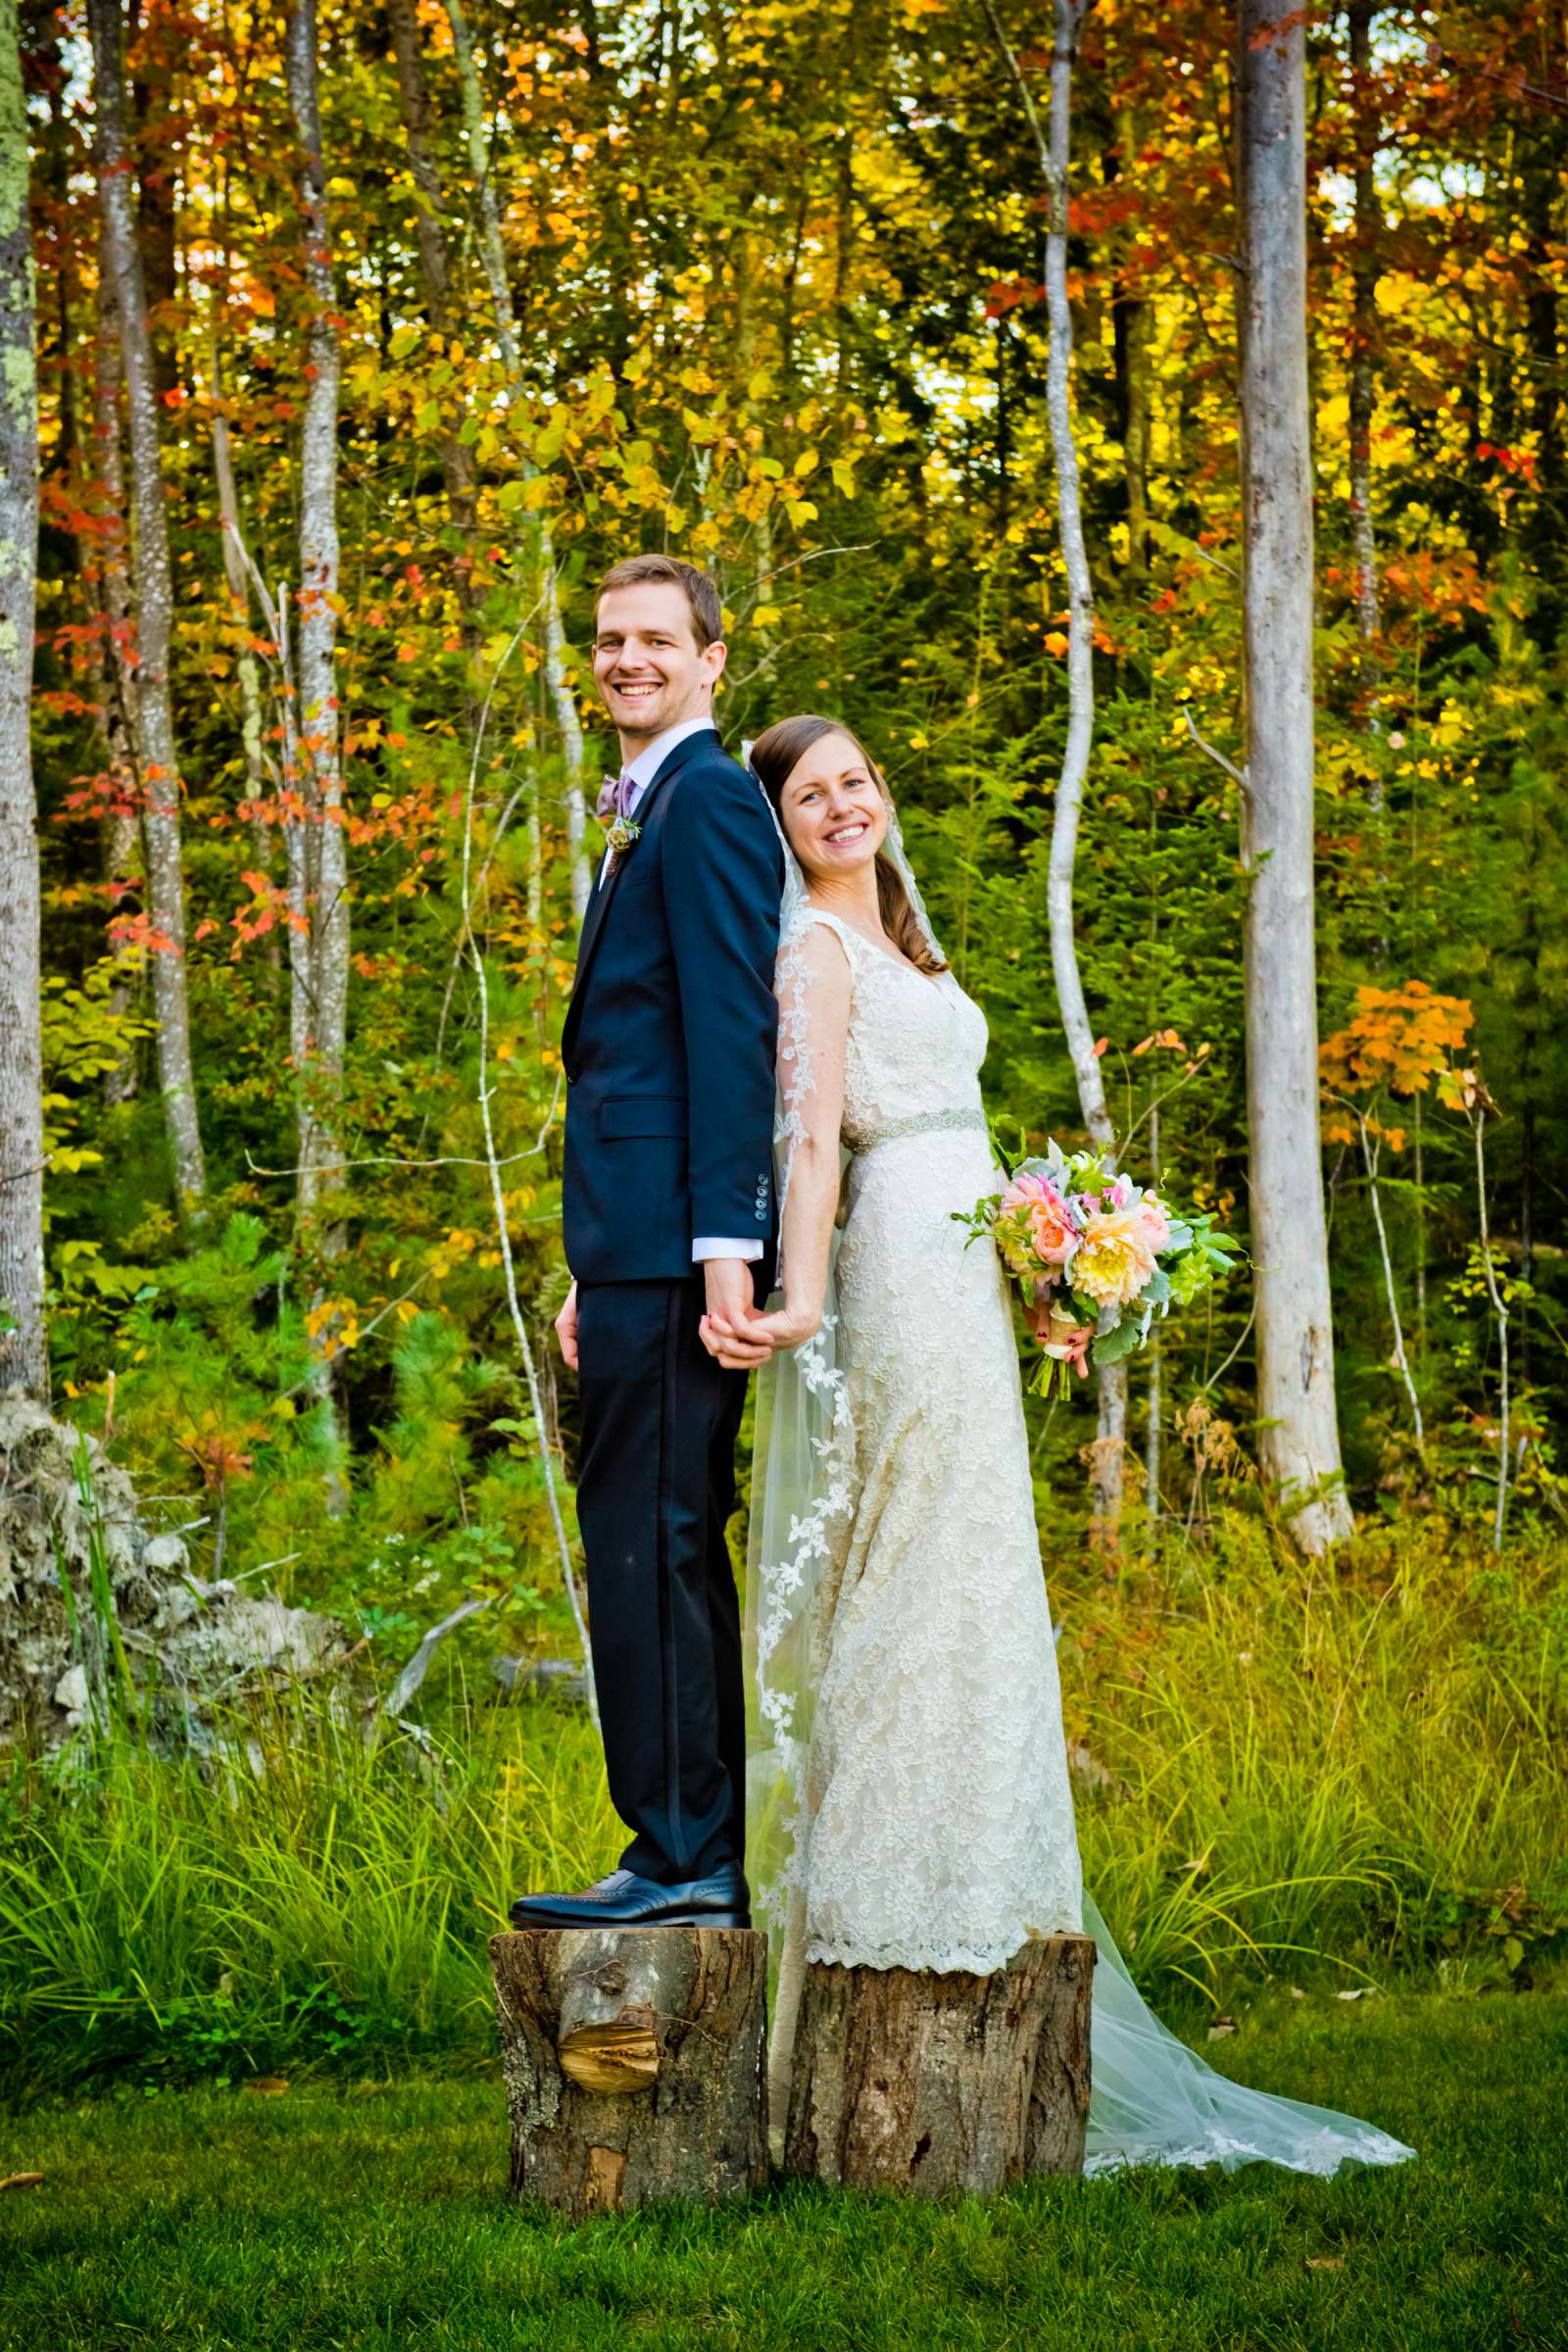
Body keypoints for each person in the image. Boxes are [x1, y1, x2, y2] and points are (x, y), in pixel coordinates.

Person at [703, 711, 1415, 2177]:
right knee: (908, 1543)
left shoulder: (905, 938)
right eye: (812, 792)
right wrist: (806, 1293)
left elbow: (950, 1111)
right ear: (776, 823)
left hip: (961, 1264)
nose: (844, 804)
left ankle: (982, 1863)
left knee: (971, 1549)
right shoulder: (814, 957)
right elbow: (815, 1138)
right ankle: (892, 1895)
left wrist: (1047, 1256)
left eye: (858, 779)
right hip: (893, 1263)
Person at [511, 557, 782, 1935]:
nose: (627, 658)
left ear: (710, 661)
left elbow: (732, 1034)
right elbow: (637, 1048)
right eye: (611, 639)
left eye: (656, 640)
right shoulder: (645, 804)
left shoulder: (714, 799)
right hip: (630, 1248)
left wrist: (724, 1247)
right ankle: (670, 1846)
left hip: (684, 1259)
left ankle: (688, 1860)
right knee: (634, 1536)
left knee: (663, 1537)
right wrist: (587, 1261)